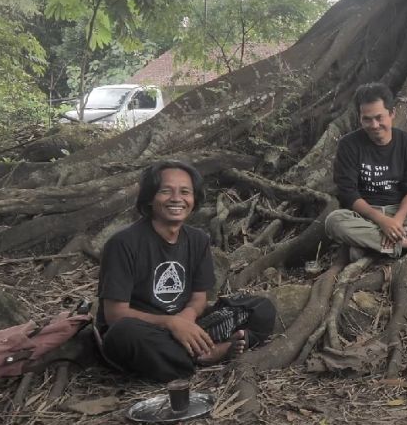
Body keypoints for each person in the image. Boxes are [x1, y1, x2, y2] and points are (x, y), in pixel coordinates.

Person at [97, 160, 276, 383]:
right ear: (150, 198)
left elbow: (200, 297)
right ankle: (208, 354)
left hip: (189, 324)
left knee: (260, 307)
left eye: (185, 192)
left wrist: (186, 319)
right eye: (166, 191)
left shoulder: (198, 239)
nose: (176, 199)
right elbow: (114, 314)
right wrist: (171, 324)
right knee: (123, 334)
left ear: (194, 199)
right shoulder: (123, 243)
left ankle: (193, 351)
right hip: (147, 331)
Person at [325, 82, 407, 259]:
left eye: (379, 117)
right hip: (365, 214)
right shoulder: (349, 145)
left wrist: (396, 220)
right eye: (367, 119)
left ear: (392, 113)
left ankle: (371, 243)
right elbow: (348, 193)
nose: (374, 125)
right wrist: (381, 221)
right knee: (333, 222)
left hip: (401, 211)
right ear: (360, 118)